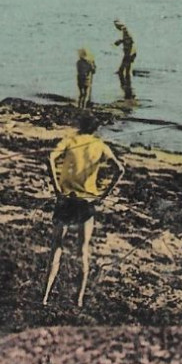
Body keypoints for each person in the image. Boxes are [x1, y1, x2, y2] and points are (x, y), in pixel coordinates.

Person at [43, 113, 124, 307]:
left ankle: (44, 298)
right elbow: (120, 169)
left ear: (80, 125)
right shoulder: (100, 145)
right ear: (96, 129)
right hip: (86, 202)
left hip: (66, 200)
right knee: (83, 250)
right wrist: (104, 195)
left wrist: (56, 188)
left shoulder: (71, 141)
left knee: (57, 248)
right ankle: (78, 300)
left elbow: (50, 158)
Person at [112, 20, 136, 88]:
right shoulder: (125, 31)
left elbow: (129, 40)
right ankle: (128, 85)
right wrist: (120, 41)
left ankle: (125, 86)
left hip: (129, 52)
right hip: (129, 52)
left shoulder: (125, 31)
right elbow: (127, 40)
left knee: (122, 70)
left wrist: (120, 41)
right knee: (126, 69)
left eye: (116, 26)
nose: (116, 28)